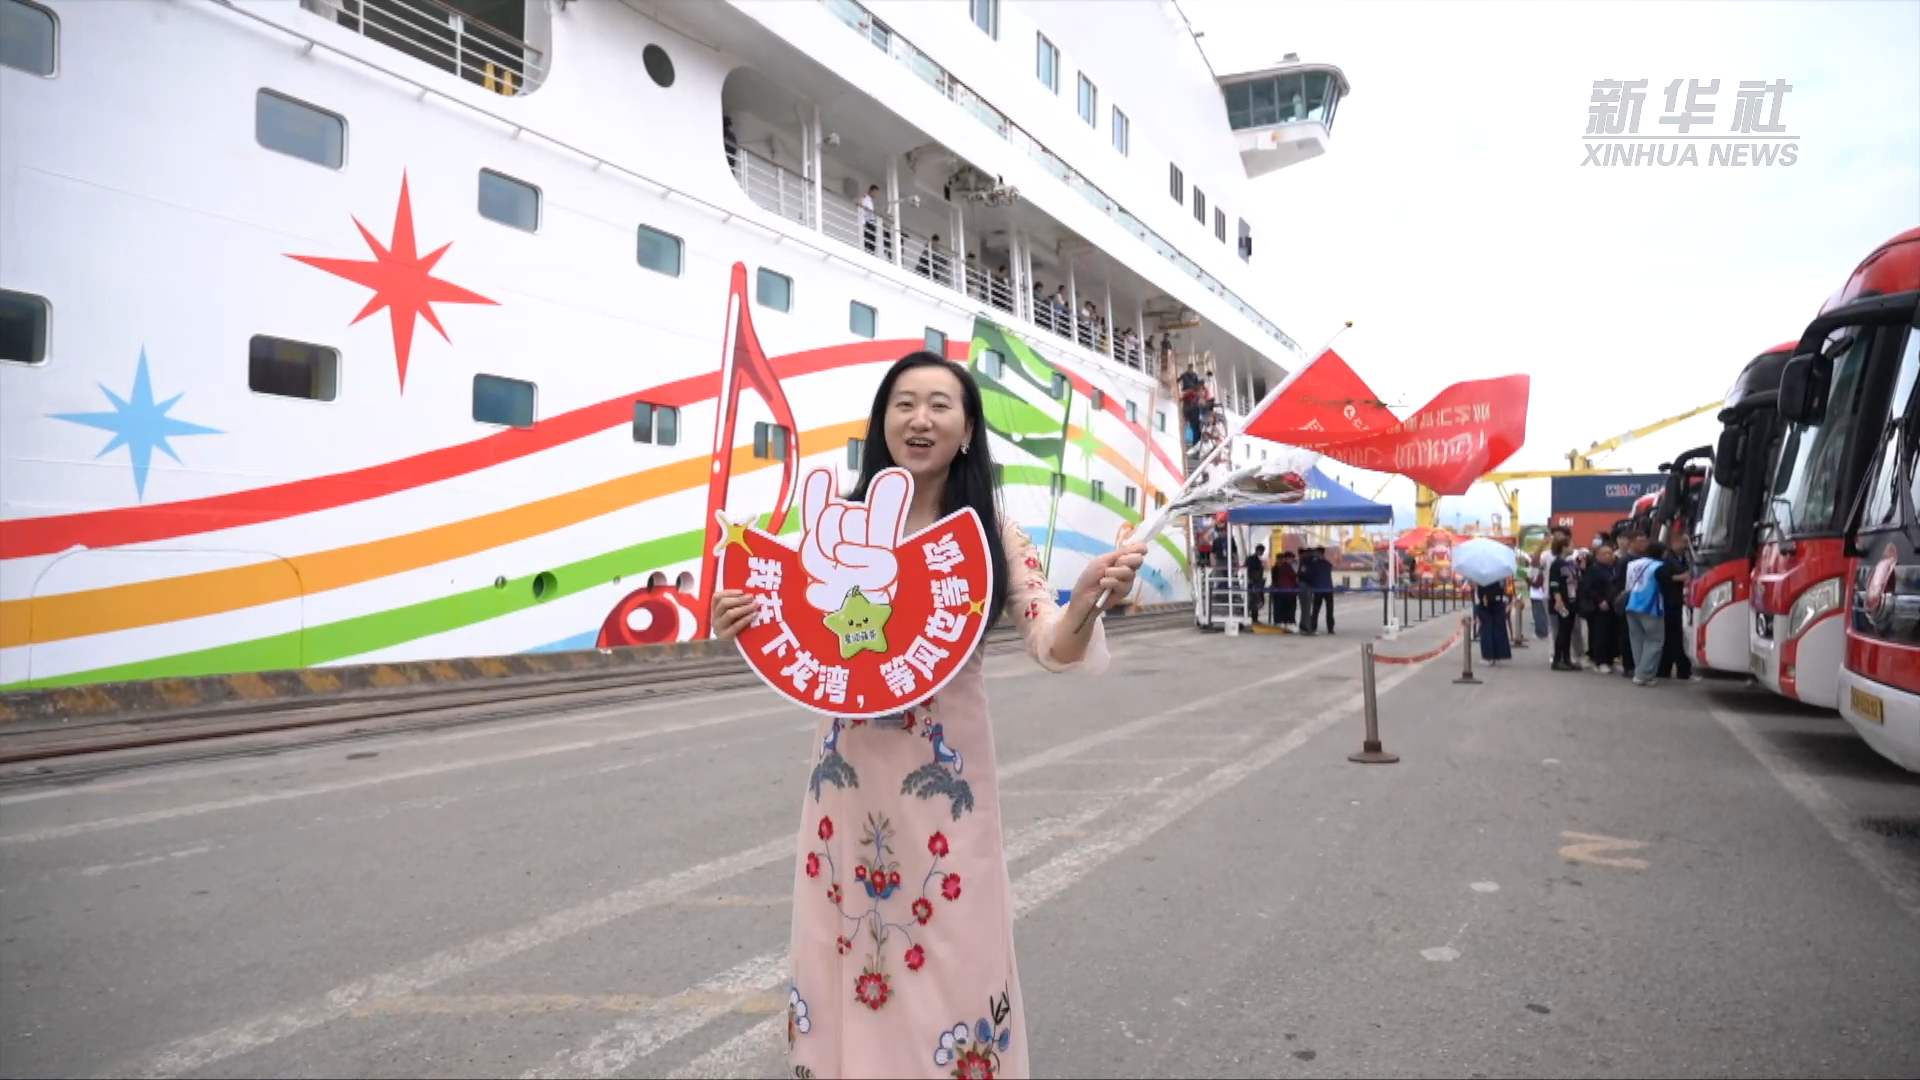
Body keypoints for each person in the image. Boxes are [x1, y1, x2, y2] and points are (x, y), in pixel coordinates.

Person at [710, 352, 1146, 1079]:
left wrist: (1088, 600)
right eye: (904, 403)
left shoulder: (992, 533)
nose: (920, 419)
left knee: (951, 952)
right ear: (882, 422)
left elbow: (1052, 642)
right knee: (842, 949)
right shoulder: (836, 525)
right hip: (845, 787)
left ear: (967, 429)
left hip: (947, 794)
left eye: (940, 405)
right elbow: (795, 629)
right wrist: (741, 618)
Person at [1624, 539, 1675, 686]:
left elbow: (1628, 585)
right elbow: (1666, 588)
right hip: (1651, 606)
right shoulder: (1660, 567)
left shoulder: (1633, 564)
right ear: (1662, 553)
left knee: (1637, 640)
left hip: (1632, 603)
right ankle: (1643, 674)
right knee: (1654, 641)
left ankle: (1641, 671)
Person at [1657, 532, 1695, 680]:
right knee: (1674, 637)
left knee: (1672, 637)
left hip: (1679, 601)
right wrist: (1682, 578)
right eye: (1682, 542)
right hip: (1670, 602)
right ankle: (1681, 670)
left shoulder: (1684, 558)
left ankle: (1665, 669)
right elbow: (1664, 578)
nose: (1684, 546)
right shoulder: (1667, 560)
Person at [1579, 544, 1619, 673]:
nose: (1609, 556)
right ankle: (1599, 661)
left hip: (1613, 605)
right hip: (1598, 607)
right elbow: (1588, 588)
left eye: (1610, 553)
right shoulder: (1593, 569)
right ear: (1597, 556)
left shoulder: (1613, 568)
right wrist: (1600, 600)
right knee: (1599, 634)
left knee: (1612, 633)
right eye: (1605, 554)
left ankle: (1610, 659)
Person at [1548, 537, 1580, 671]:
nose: (1573, 548)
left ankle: (1567, 658)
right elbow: (1554, 583)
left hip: (1572, 600)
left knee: (1568, 631)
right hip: (1563, 601)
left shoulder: (1569, 563)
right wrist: (1558, 599)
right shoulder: (1557, 564)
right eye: (1571, 545)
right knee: (1562, 631)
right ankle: (1558, 659)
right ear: (1563, 547)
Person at [1476, 578, 1512, 664]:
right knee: (1499, 629)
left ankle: (1488, 656)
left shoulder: (1483, 576)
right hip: (1498, 601)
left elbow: (1480, 592)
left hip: (1485, 602)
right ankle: (1499, 654)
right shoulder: (1500, 575)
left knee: (1486, 630)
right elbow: (1504, 588)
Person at [1272, 550, 1300, 630]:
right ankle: (1288, 623)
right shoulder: (1287, 567)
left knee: (1286, 608)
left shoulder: (1284, 567)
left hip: (1286, 591)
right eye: (1290, 558)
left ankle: (1285, 623)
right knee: (1289, 608)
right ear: (1287, 558)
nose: (1292, 560)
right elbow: (1294, 577)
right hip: (1288, 591)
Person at [1245, 543, 1268, 625]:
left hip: (1255, 583)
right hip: (1253, 583)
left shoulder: (1255, 559)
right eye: (1262, 551)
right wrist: (1253, 583)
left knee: (1254, 602)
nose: (1262, 553)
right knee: (1252, 602)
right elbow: (1251, 572)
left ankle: (1253, 618)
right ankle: (1251, 618)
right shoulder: (1252, 559)